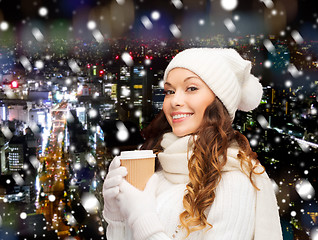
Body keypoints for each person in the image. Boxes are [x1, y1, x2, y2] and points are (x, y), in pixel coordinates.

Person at [103, 48, 283, 240]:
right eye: (170, 91)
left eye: (191, 88)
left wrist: (141, 217)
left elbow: (142, 223)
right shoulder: (161, 168)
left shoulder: (233, 182)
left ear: (219, 102)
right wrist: (116, 215)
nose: (175, 101)